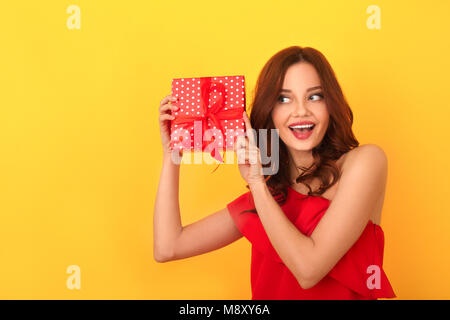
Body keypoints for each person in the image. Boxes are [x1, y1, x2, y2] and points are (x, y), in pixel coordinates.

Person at [153, 46, 396, 300]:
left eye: (314, 97)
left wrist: (257, 184)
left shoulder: (366, 162)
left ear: (330, 104)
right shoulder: (268, 198)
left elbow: (309, 270)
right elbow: (168, 247)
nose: (301, 110)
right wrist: (172, 152)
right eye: (283, 98)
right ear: (269, 111)